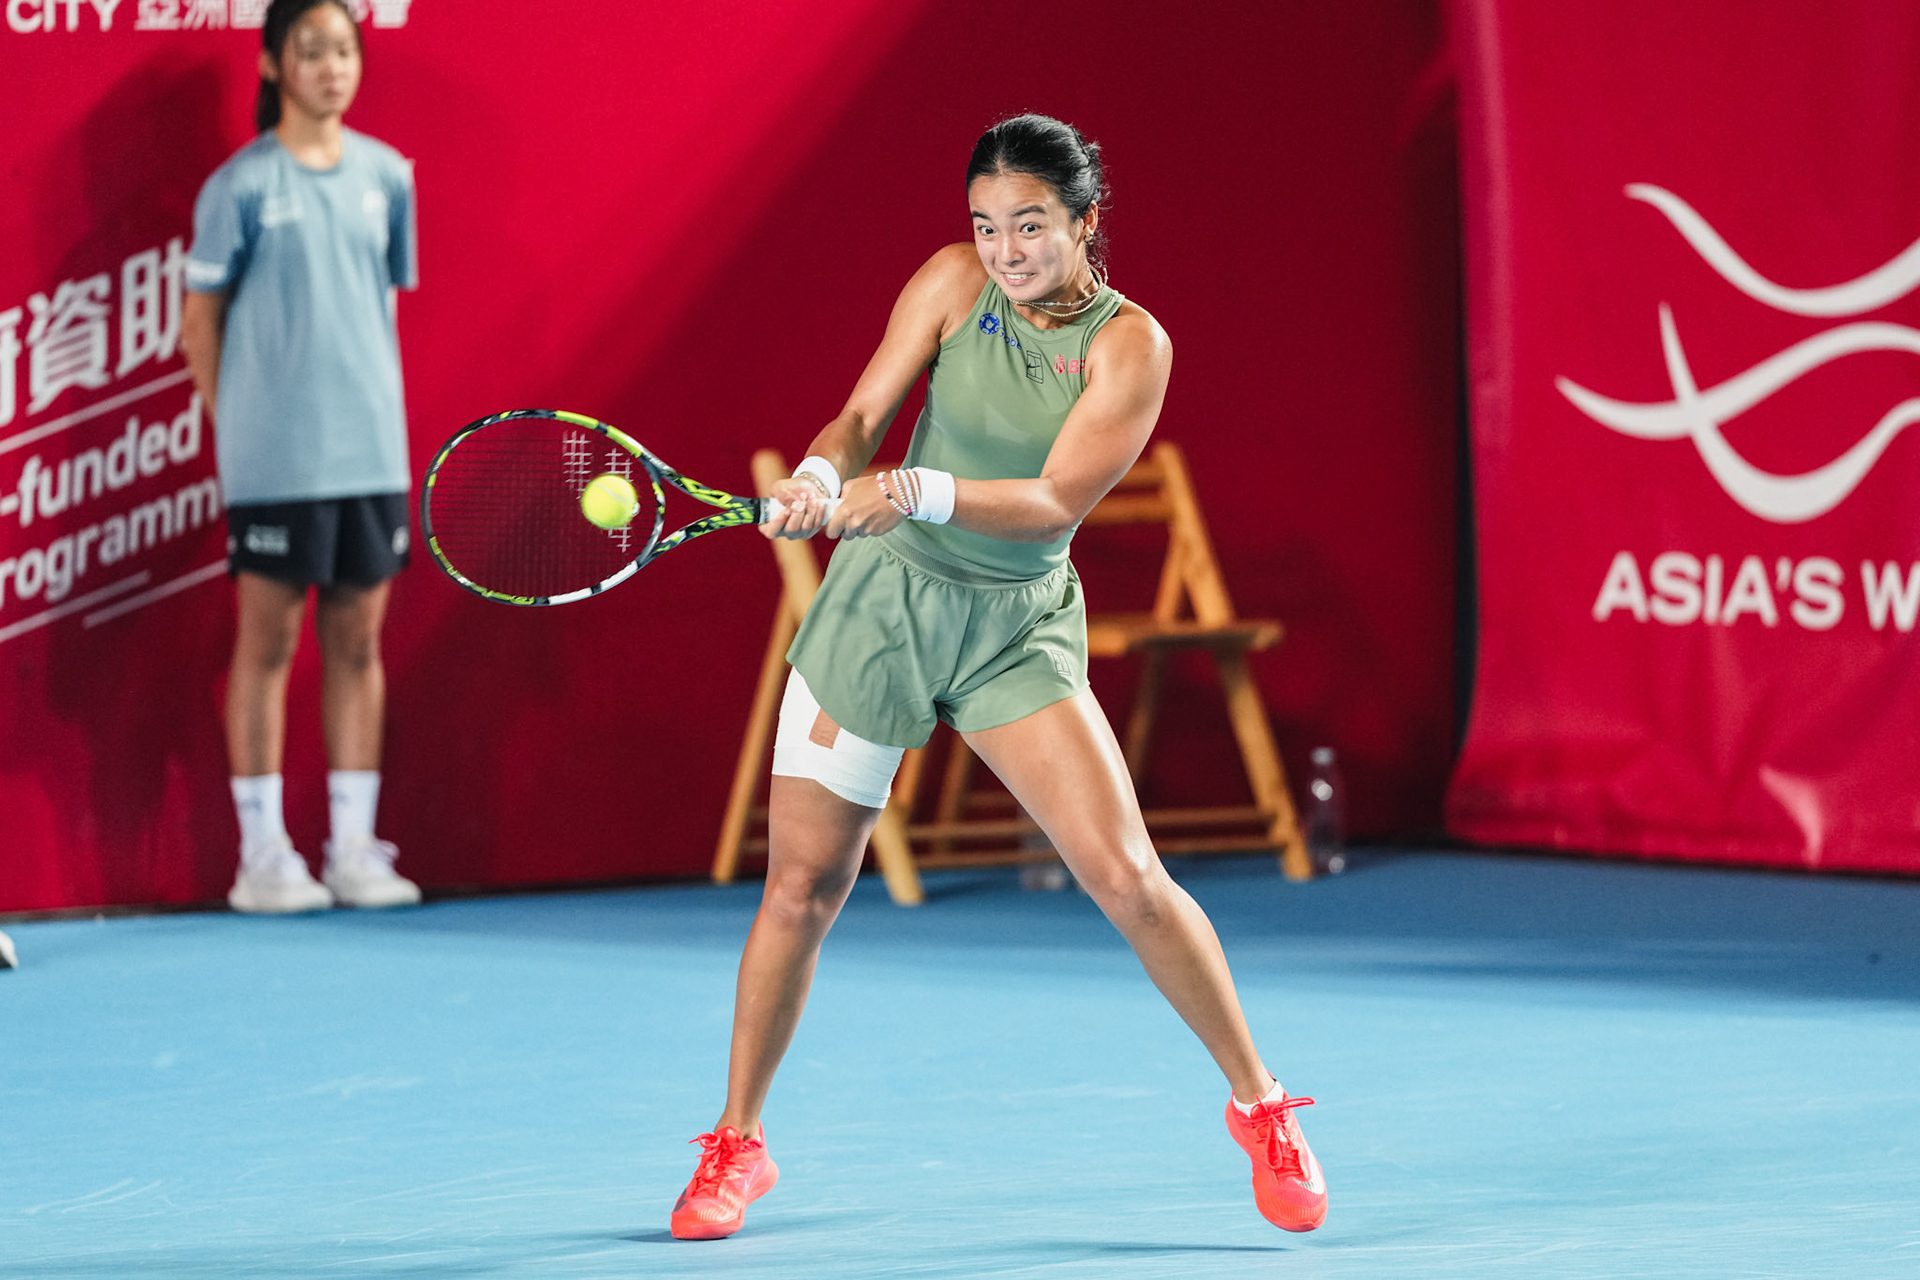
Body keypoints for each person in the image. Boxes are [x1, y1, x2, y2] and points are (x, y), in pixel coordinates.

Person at [669, 114, 1325, 1240]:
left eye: (1030, 226)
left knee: (1126, 876)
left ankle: (1262, 1104)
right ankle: (738, 1141)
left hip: (1014, 627)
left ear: (1085, 223)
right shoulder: (948, 283)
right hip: (880, 610)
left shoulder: (1132, 348)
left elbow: (1059, 499)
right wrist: (829, 467)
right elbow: (865, 408)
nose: (1007, 250)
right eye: (987, 225)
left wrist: (914, 488)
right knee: (802, 887)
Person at [180, 0, 420, 915]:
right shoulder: (237, 187)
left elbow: (381, 311)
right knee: (269, 644)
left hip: (371, 454)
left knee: (358, 643)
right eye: (310, 51)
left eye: (345, 51)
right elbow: (200, 324)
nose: (332, 67)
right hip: (273, 458)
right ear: (274, 65)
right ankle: (264, 858)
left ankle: (354, 848)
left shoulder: (388, 175)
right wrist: (238, 423)